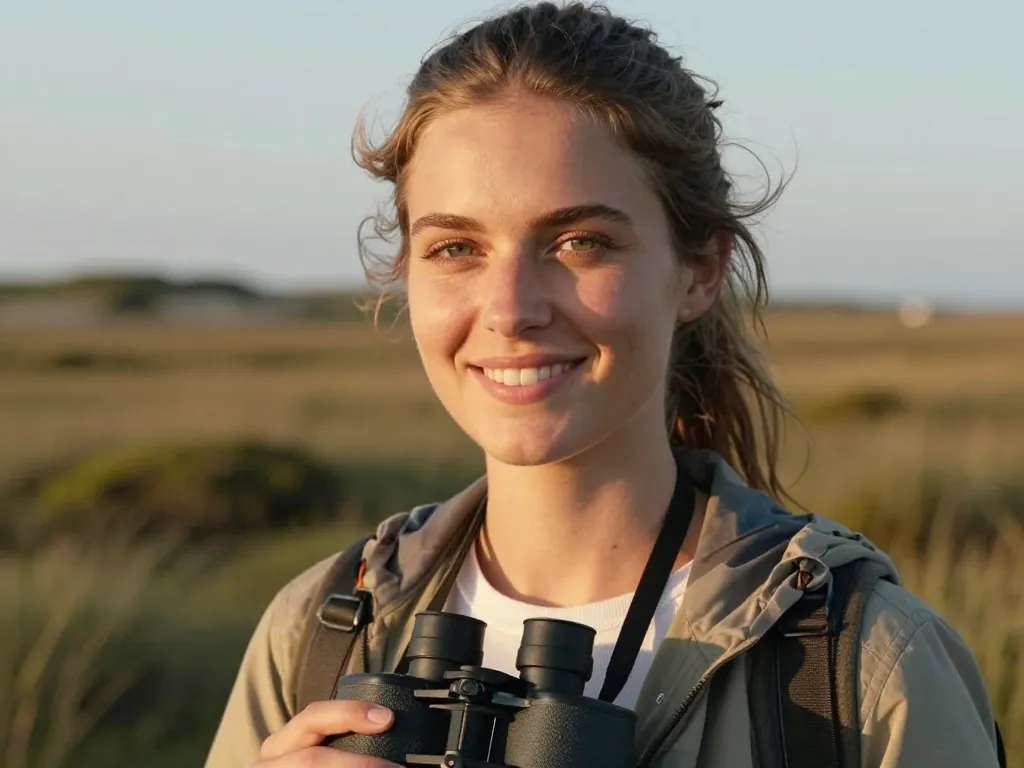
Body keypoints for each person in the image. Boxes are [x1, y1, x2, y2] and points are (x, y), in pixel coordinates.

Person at [205, 3, 1004, 767]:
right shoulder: (322, 630)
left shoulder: (854, 665)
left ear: (700, 269)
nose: (511, 310)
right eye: (456, 248)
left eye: (581, 242)